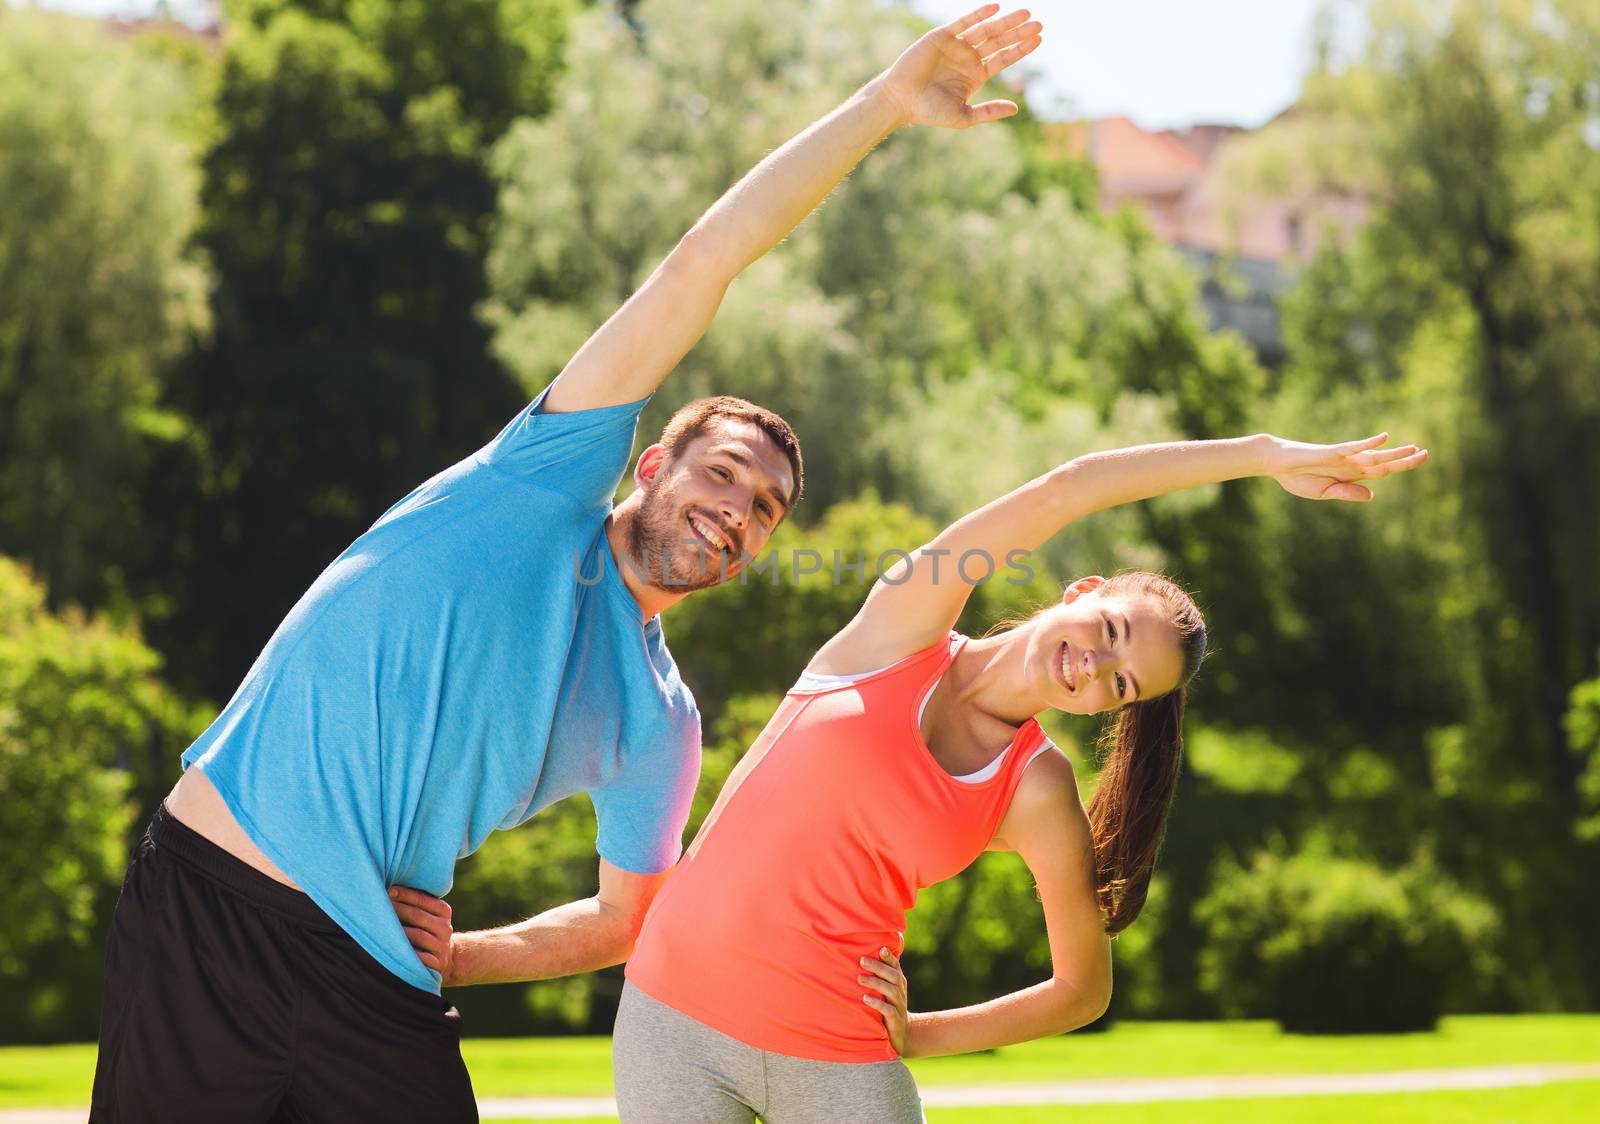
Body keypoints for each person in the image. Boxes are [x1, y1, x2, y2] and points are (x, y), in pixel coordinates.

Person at [88, 5, 1043, 1122]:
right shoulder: (536, 482)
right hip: (218, 904)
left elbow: (627, 914)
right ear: (646, 465)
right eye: (723, 473)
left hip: (380, 982)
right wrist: (885, 105)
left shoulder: (659, 717)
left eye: (767, 509)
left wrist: (470, 954)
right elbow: (708, 257)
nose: (738, 510)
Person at [404, 429, 1428, 1122]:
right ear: (1080, 590)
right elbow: (1069, 485)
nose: (1092, 666)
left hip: (839, 1054)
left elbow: (1083, 985)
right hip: (670, 1016)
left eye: (1119, 683)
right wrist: (1262, 456)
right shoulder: (904, 623)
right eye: (1107, 629)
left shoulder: (1035, 789)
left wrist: (923, 1033)